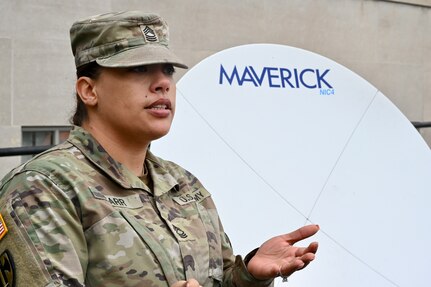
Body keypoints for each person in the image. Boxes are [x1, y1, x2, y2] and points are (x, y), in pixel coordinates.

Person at [0, 11, 319, 287]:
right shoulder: (42, 188)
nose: (162, 83)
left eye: (167, 70)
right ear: (89, 90)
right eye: (139, 69)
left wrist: (248, 276)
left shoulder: (185, 185)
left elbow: (215, 278)